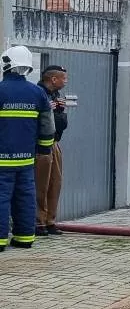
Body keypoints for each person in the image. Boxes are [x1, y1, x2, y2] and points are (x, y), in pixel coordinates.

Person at [0, 46, 54, 251]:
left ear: (6, 64)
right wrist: (44, 149)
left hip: (1, 159)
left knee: (1, 198)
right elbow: (48, 126)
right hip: (26, 160)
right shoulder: (37, 93)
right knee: (25, 197)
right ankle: (24, 238)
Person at [35, 65, 68, 236]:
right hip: (40, 146)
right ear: (53, 79)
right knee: (41, 184)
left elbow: (62, 125)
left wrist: (60, 111)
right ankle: (38, 222)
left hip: (54, 143)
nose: (66, 81)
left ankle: (50, 221)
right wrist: (49, 109)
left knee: (55, 183)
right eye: (64, 78)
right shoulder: (38, 94)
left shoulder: (56, 96)